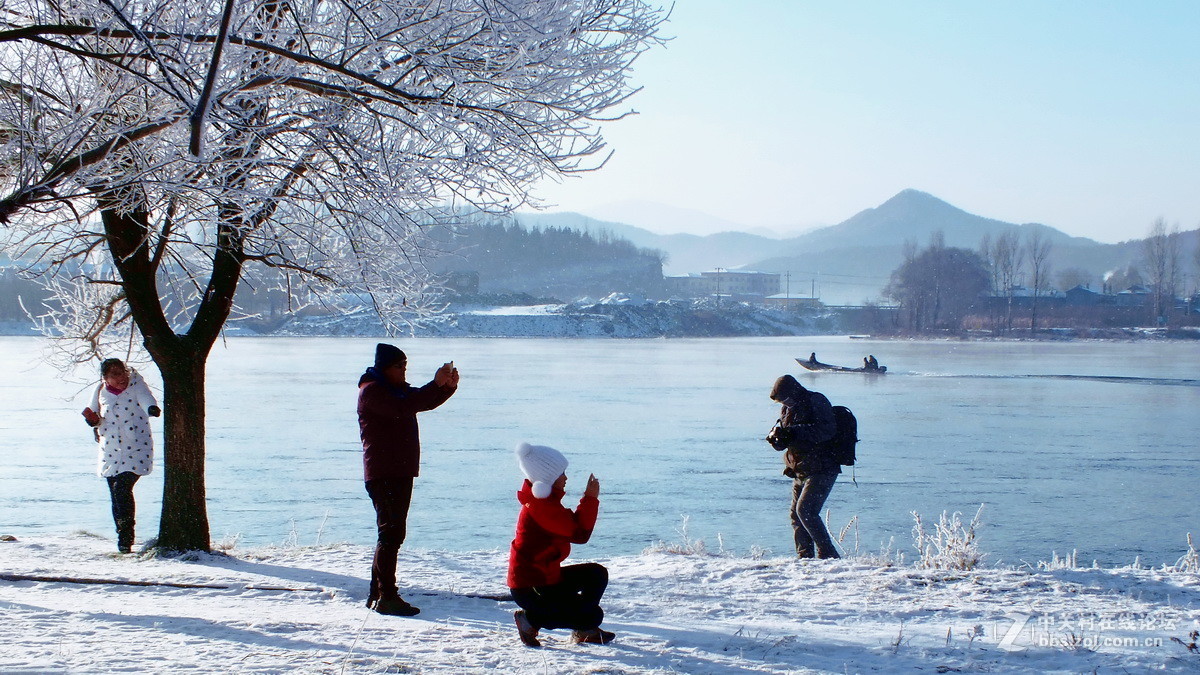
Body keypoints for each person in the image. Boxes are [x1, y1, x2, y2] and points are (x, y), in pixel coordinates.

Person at [357, 343, 459, 616]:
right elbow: (406, 406)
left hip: (399, 470)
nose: (403, 371)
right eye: (398, 367)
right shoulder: (373, 392)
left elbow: (421, 401)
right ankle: (387, 596)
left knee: (390, 533)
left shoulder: (392, 389)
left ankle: (377, 593)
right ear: (383, 368)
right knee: (390, 534)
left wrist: (445, 387)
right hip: (385, 471)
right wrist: (435, 384)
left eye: (404, 366)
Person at [507, 442, 613, 647]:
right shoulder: (541, 508)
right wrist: (590, 499)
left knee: (596, 574)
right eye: (561, 474)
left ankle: (584, 625)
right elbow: (580, 534)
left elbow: (571, 525)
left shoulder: (544, 501)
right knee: (593, 615)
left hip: (546, 577)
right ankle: (530, 620)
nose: (565, 478)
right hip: (531, 587)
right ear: (548, 477)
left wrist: (589, 500)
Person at [81, 358, 160, 554]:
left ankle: (126, 538)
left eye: (122, 372)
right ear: (106, 377)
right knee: (115, 495)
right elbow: (94, 413)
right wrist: (92, 420)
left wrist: (151, 408)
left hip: (136, 449)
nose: (121, 377)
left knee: (122, 490)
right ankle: (122, 537)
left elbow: (146, 398)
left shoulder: (136, 385)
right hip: (110, 450)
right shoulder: (100, 390)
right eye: (114, 374)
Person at [767, 374, 841, 559]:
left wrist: (793, 431)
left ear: (795, 391)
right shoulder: (786, 410)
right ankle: (804, 557)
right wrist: (777, 440)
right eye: (782, 401)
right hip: (799, 469)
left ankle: (828, 556)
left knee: (806, 511)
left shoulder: (817, 400)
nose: (785, 403)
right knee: (796, 516)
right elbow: (789, 440)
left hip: (822, 468)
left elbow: (827, 431)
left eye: (786, 398)